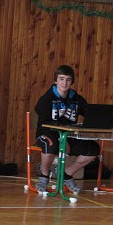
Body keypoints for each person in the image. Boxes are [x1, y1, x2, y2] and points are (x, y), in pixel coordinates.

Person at [34, 64, 99, 194]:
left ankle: (67, 175)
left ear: (72, 81)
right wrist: (61, 137)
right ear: (56, 80)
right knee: (51, 144)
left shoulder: (77, 99)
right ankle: (44, 175)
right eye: (61, 79)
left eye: (68, 79)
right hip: (46, 134)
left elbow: (89, 114)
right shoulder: (46, 99)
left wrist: (101, 118)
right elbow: (45, 123)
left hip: (69, 136)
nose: (64, 83)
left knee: (93, 149)